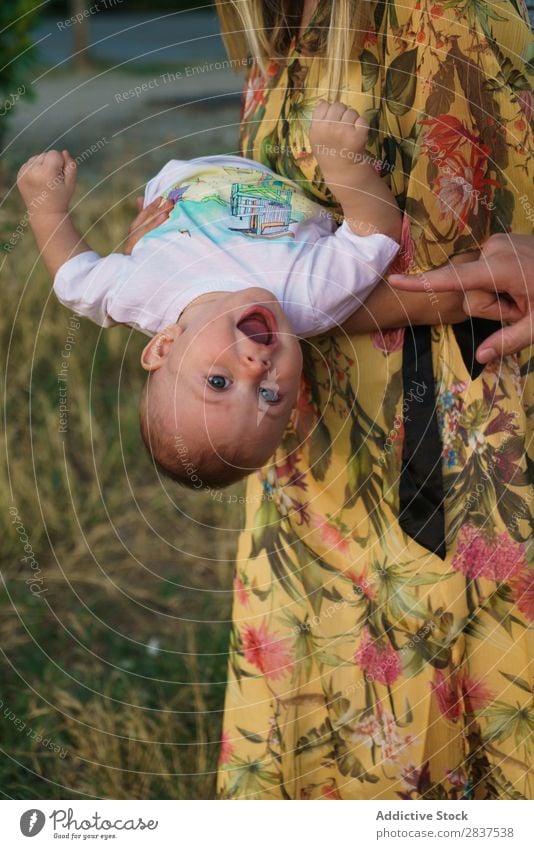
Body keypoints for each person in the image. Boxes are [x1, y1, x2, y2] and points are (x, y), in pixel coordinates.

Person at [213, 0, 534, 800]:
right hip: (312, 497)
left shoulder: (467, 15)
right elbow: (284, 269)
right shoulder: (276, 28)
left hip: (479, 487)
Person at [16, 101, 401, 487]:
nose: (255, 369)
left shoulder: (138, 294)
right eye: (270, 395)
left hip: (180, 179)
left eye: (219, 382)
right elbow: (375, 235)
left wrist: (46, 208)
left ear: (163, 348)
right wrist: (344, 165)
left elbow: (73, 280)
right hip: (272, 165)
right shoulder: (310, 296)